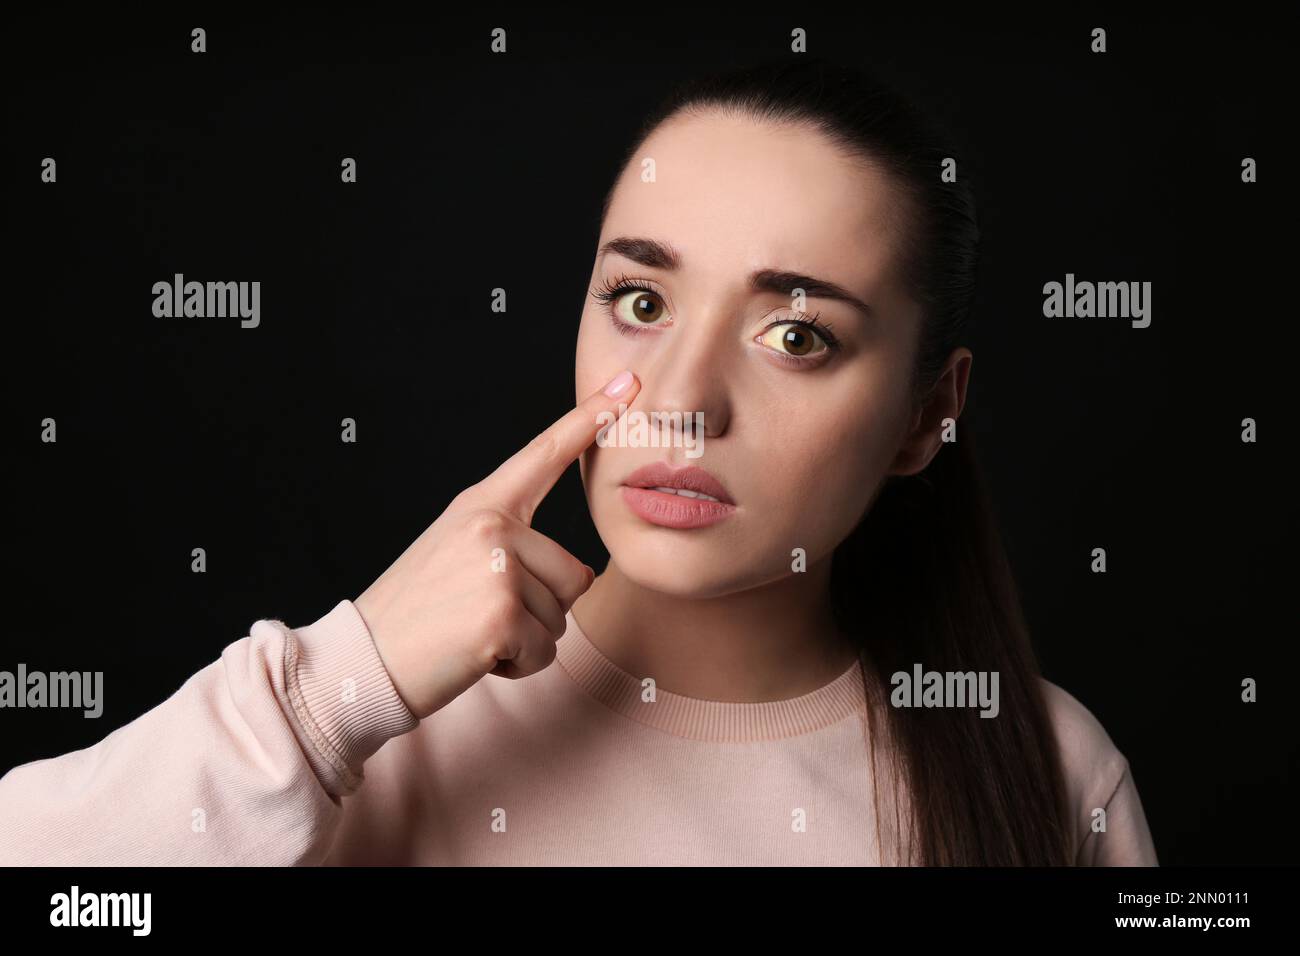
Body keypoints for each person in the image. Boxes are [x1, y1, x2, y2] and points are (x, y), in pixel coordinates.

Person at [0, 57, 1157, 866]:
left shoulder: (1046, 773)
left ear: (925, 412)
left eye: (797, 334)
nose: (681, 402)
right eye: (641, 298)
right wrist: (324, 697)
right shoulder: (368, 738)